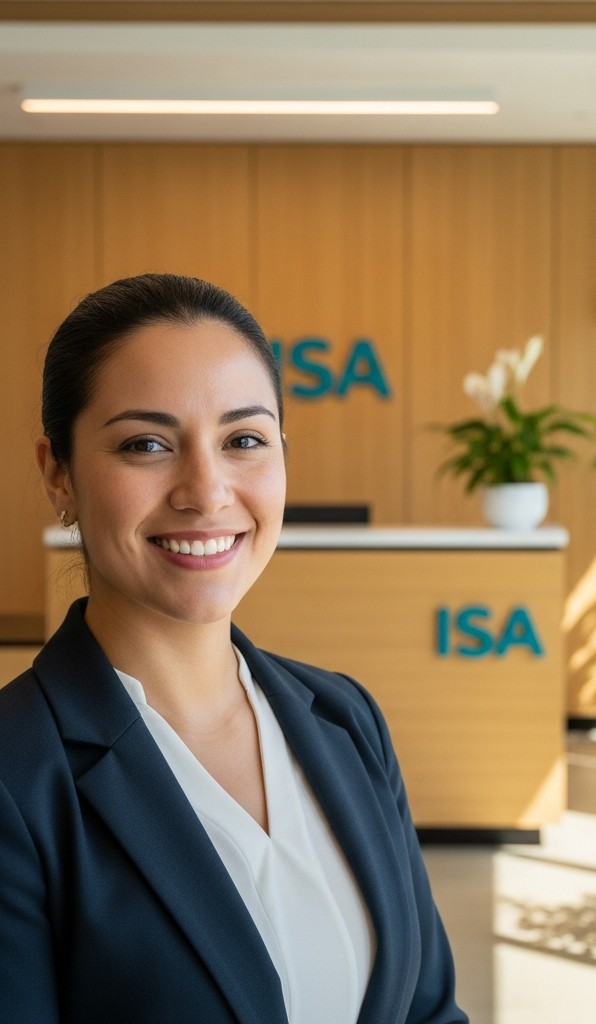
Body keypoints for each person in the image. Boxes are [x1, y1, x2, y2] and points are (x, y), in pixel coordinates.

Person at [0, 274, 468, 1024]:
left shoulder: (346, 719)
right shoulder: (17, 778)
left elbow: (428, 1008)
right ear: (58, 473)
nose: (207, 490)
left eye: (243, 439)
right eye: (146, 443)